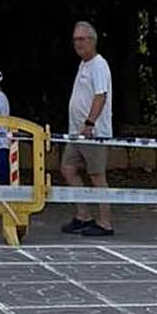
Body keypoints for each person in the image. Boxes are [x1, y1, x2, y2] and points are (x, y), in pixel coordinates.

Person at [60, 20, 114, 236]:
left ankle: (105, 222)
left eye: (81, 39)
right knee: (68, 169)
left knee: (97, 176)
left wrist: (90, 123)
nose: (77, 44)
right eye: (75, 40)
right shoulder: (84, 65)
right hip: (77, 133)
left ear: (92, 40)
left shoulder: (99, 65)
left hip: (93, 133)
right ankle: (83, 215)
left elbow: (101, 95)